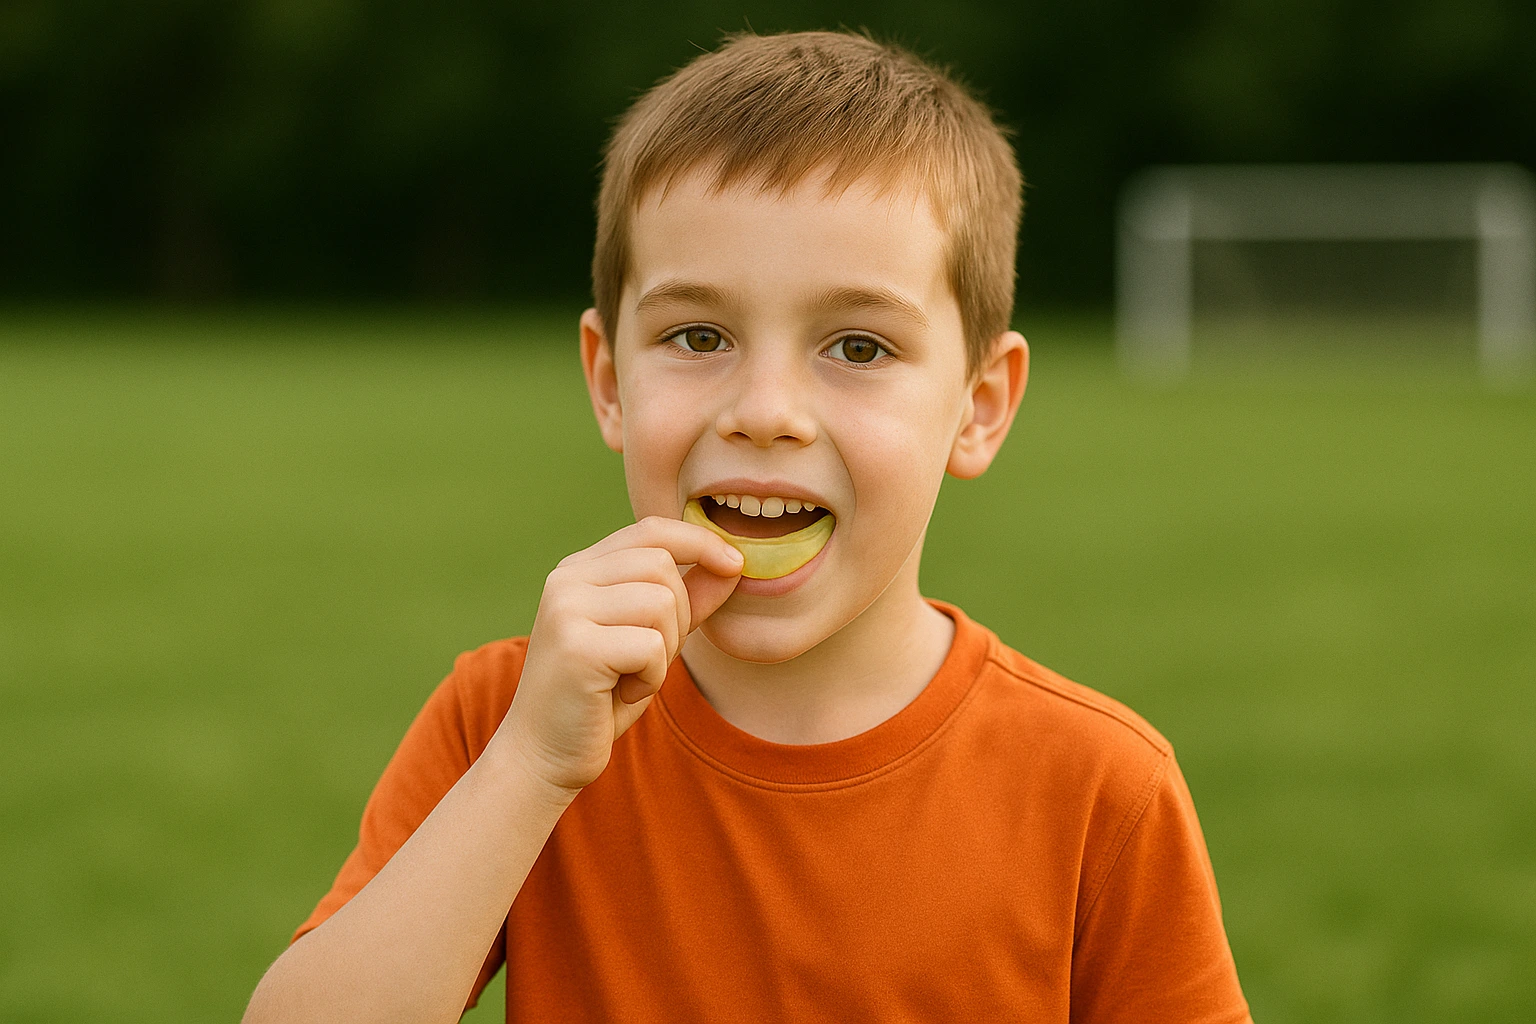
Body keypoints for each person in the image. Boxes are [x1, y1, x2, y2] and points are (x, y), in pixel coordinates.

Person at [243, 30, 1251, 1024]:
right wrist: (530, 769)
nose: (765, 409)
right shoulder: (509, 715)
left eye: (857, 345)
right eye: (699, 336)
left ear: (979, 404)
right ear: (609, 382)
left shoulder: (1099, 792)